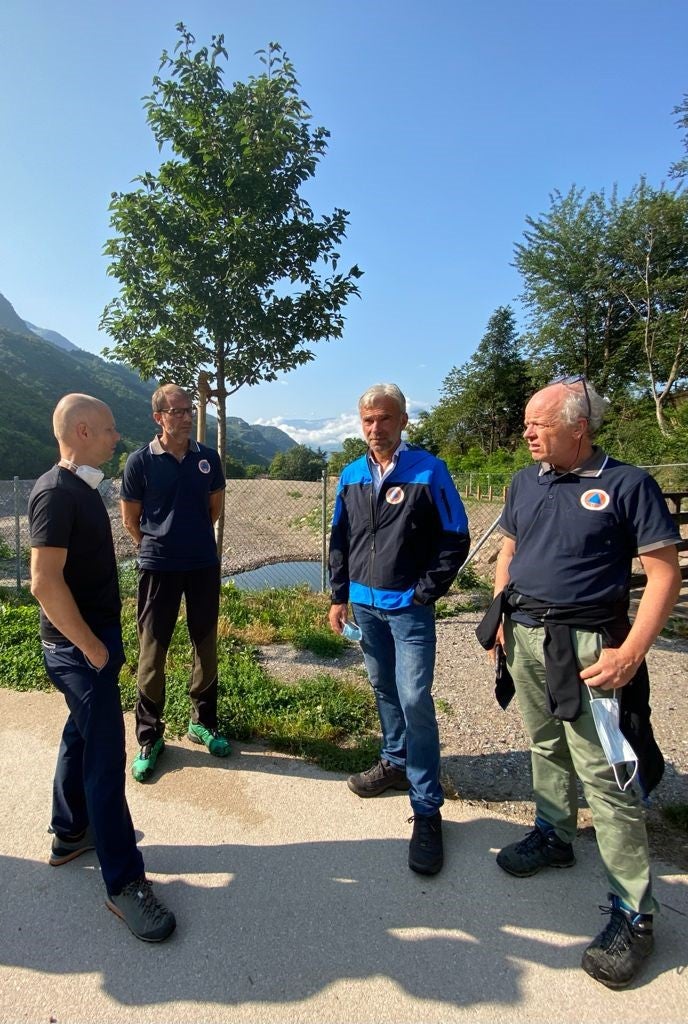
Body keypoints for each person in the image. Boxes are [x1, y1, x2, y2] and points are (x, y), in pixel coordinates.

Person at [476, 376, 681, 989]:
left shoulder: (626, 484)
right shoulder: (524, 481)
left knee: (607, 773)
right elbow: (508, 549)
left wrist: (633, 653)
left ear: (578, 428)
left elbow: (663, 572)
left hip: (592, 645)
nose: (527, 433)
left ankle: (634, 913)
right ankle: (554, 834)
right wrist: (501, 617)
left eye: (538, 423)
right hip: (526, 635)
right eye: (527, 423)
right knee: (543, 743)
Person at [28, 393, 176, 943]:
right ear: (84, 430)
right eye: (111, 429)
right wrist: (92, 647)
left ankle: (70, 833)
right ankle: (124, 883)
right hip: (78, 649)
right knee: (106, 758)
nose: (118, 438)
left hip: (92, 645)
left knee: (79, 735)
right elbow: (44, 582)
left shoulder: (80, 488)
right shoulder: (54, 494)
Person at [328, 383, 470, 875]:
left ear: (403, 420)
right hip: (364, 607)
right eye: (368, 420)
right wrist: (338, 595)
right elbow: (340, 541)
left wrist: (425, 591)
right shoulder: (350, 475)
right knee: (382, 688)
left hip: (409, 609)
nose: (376, 428)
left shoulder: (429, 470)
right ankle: (393, 762)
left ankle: (427, 808)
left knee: (414, 697)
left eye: (385, 419)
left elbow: (456, 537)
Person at [121, 383, 230, 782]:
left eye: (190, 410)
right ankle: (150, 736)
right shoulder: (140, 461)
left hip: (202, 564)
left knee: (206, 645)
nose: (186, 417)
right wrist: (157, 546)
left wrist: (193, 538)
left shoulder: (207, 458)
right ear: (159, 418)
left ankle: (203, 722)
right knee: (152, 652)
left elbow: (213, 508)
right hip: (157, 567)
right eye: (178, 411)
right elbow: (130, 519)